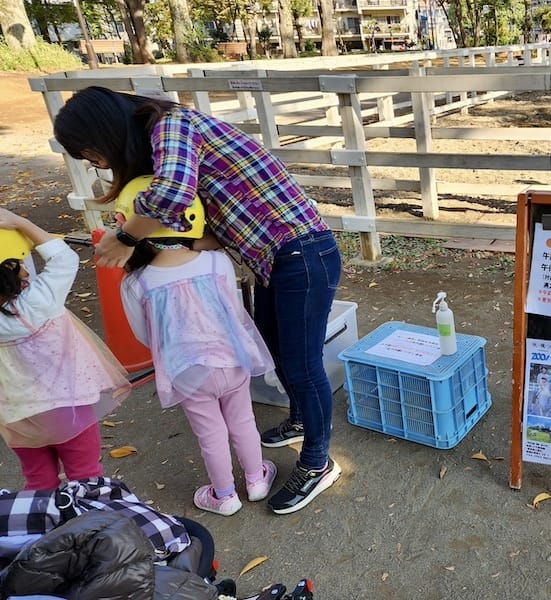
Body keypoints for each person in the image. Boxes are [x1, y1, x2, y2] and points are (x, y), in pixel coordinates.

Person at [54, 86, 343, 515]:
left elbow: (170, 197)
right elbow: (202, 229)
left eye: (90, 152)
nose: (94, 163)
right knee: (276, 347)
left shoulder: (172, 125)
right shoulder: (169, 142)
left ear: (104, 132)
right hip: (274, 257)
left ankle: (318, 462)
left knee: (302, 366)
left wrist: (126, 236)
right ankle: (301, 419)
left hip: (302, 252)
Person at [116, 176, 277, 517]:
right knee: (243, 419)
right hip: (233, 359)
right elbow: (234, 310)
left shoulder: (136, 282)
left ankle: (224, 495)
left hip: (188, 372)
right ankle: (257, 480)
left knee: (210, 433)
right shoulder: (216, 261)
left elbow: (146, 336)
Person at [0, 208, 131, 490]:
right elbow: (63, 258)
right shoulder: (41, 300)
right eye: (19, 261)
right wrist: (22, 223)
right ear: (9, 270)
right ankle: (88, 526)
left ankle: (44, 527)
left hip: (16, 415)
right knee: (85, 474)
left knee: (38, 479)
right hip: (67, 405)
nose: (26, 266)